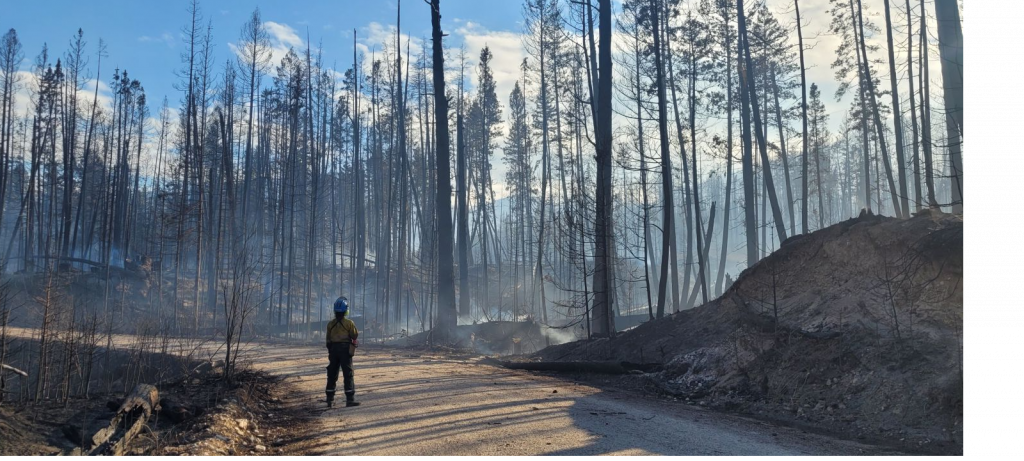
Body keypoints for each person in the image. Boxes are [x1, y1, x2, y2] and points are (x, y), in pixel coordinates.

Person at [326, 297, 360, 408]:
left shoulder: (331, 324)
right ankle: (350, 400)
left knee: (332, 374)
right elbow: (354, 335)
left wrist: (331, 351)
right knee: (348, 374)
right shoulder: (349, 323)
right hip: (345, 350)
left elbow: (328, 340)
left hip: (333, 350)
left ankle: (329, 399)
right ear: (346, 310)